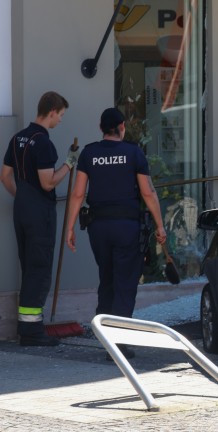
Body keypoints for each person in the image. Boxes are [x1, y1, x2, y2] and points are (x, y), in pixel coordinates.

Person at [65, 107, 167, 359]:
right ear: (121, 126)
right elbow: (147, 192)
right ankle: (119, 342)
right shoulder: (133, 152)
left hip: (99, 228)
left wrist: (69, 227)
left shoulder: (89, 152)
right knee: (125, 283)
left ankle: (106, 337)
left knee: (107, 278)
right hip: (126, 227)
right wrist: (160, 224)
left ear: (101, 128)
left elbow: (78, 194)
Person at [0, 91, 78, 347]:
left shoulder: (17, 138)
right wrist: (68, 163)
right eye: (61, 115)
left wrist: (22, 195)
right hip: (39, 213)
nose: (60, 121)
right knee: (40, 268)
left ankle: (28, 327)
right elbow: (48, 182)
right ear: (52, 111)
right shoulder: (43, 142)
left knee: (28, 265)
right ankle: (32, 332)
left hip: (22, 209)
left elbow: (5, 176)